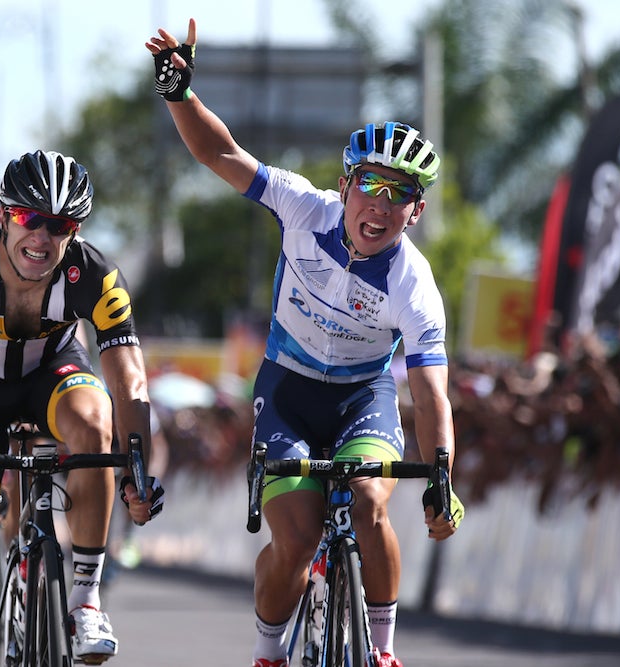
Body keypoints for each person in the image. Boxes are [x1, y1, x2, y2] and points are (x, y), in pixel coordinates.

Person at [146, 20, 465, 667]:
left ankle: (382, 651)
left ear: (417, 210)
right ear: (344, 185)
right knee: (294, 538)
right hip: (287, 390)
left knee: (371, 505)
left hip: (362, 397)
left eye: (400, 193)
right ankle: (268, 652)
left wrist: (441, 477)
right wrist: (180, 95)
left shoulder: (414, 284)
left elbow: (432, 394)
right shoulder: (301, 208)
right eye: (370, 184)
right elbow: (221, 155)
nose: (381, 205)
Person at [0, 149, 164, 666]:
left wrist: (135, 471)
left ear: (75, 231)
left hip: (51, 376)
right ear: (4, 216)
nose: (42, 237)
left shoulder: (96, 275)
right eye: (30, 218)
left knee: (94, 421)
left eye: (60, 225)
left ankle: (86, 599)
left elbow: (129, 379)